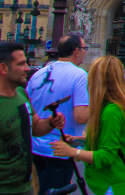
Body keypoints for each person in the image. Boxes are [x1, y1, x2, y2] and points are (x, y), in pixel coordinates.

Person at [0, 43, 66, 195]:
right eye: (21, 64)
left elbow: (35, 127)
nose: (27, 68)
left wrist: (51, 122)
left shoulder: (21, 95)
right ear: (3, 68)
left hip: (25, 188)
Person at [50, 56, 125, 195]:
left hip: (113, 185)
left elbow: (107, 156)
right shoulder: (113, 107)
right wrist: (78, 141)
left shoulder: (112, 111)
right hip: (112, 183)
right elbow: (111, 142)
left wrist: (73, 152)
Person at [26, 34, 90, 195]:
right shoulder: (79, 74)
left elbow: (28, 108)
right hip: (58, 150)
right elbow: (81, 116)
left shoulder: (39, 73)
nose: (85, 52)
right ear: (76, 51)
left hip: (35, 148)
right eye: (84, 49)